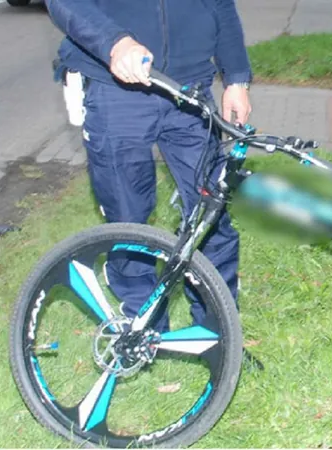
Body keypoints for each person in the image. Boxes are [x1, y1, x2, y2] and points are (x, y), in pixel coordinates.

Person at [44, 0, 252, 339]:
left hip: (190, 90)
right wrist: (115, 42)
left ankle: (216, 335)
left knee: (211, 216)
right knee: (129, 223)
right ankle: (144, 334)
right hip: (115, 90)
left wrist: (237, 77)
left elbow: (220, 4)